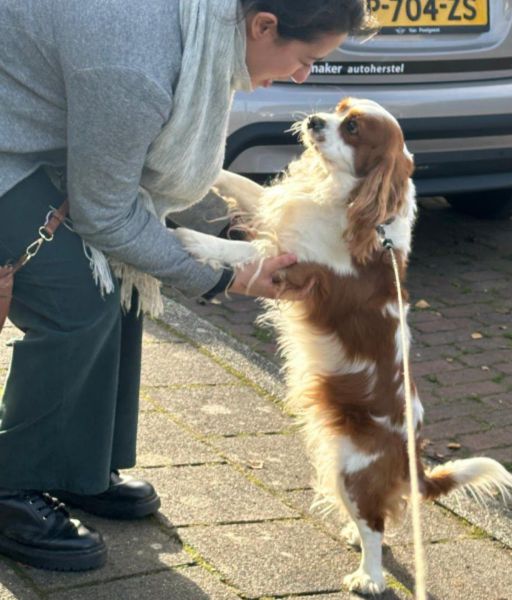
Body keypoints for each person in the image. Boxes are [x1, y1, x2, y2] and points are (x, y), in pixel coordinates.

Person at [0, 0, 373, 573]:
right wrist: (226, 275)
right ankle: (11, 488)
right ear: (263, 25)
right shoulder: (138, 67)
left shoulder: (203, 31)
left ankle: (74, 466)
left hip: (30, 129)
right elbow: (106, 216)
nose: (306, 76)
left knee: (116, 286)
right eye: (305, 59)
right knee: (77, 296)